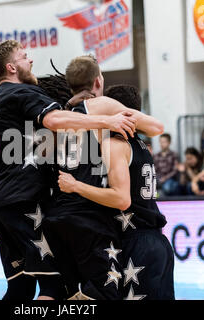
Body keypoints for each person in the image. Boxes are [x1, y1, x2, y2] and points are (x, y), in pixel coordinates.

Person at [0, 40, 139, 301]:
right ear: (11, 67)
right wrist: (107, 119)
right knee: (52, 286)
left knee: (20, 287)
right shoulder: (22, 92)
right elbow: (55, 120)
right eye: (24, 57)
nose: (31, 60)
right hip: (25, 202)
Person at [38, 56, 164, 299]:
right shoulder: (101, 105)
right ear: (98, 80)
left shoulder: (61, 115)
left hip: (55, 218)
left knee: (60, 294)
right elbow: (156, 127)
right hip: (87, 219)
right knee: (106, 295)